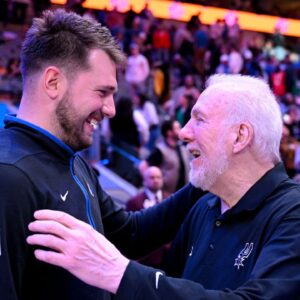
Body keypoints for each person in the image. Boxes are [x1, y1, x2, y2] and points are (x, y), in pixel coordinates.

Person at [27, 74, 300, 299]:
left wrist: (120, 274)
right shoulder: (204, 205)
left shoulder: (291, 213)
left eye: (200, 120)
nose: (183, 132)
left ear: (240, 136)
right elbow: (139, 243)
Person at [0, 9, 204, 300]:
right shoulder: (8, 175)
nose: (111, 108)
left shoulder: (73, 162)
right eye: (102, 92)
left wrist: (206, 179)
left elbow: (129, 236)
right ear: (53, 82)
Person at [126, 166, 171, 268]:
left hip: (168, 255)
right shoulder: (134, 202)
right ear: (144, 180)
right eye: (152, 177)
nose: (155, 180)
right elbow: (129, 231)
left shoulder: (171, 199)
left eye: (158, 177)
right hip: (144, 257)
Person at [139, 119, 190, 193]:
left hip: (180, 195)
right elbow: (143, 166)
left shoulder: (182, 148)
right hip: (164, 195)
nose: (180, 130)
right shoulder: (161, 150)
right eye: (177, 128)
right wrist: (151, 185)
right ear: (169, 132)